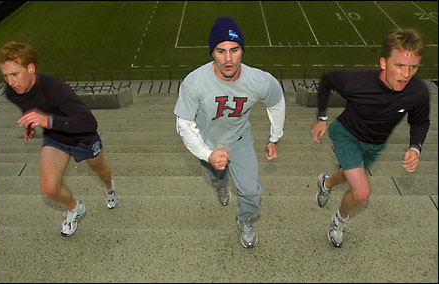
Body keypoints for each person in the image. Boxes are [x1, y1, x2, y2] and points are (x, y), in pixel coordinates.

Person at [311, 28, 430, 248]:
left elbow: (421, 121)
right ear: (384, 63)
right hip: (346, 134)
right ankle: (339, 219)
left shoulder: (418, 92)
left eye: (413, 67)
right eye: (400, 66)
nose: (406, 74)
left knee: (348, 175)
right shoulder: (356, 83)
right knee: (362, 191)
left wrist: (415, 147)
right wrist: (322, 118)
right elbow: (327, 80)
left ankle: (326, 182)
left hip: (375, 144)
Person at [174, 17, 286, 248]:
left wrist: (274, 138)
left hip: (238, 139)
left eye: (234, 50)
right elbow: (183, 124)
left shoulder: (259, 80)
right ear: (212, 52)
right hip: (206, 141)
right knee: (217, 177)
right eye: (220, 51)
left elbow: (276, 101)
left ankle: (245, 219)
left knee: (251, 192)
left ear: (242, 50)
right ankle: (221, 186)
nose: (227, 59)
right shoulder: (194, 82)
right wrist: (207, 153)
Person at [0, 42, 119, 237]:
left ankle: (110, 188)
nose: (10, 82)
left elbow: (89, 122)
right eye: (5, 76)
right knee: (49, 188)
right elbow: (28, 105)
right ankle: (74, 208)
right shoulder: (12, 92)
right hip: (55, 139)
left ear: (30, 68)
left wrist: (47, 120)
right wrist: (30, 124)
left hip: (83, 138)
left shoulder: (56, 89)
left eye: (14, 74)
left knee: (100, 170)